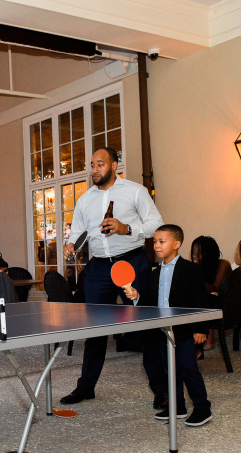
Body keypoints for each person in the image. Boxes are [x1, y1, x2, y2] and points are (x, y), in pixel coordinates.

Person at [61, 147, 167, 407]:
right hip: (98, 269)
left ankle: (161, 390)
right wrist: (71, 244)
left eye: (100, 164)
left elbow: (156, 224)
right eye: (92, 165)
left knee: (145, 327)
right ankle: (86, 388)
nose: (95, 170)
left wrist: (126, 227)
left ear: (114, 165)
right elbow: (77, 231)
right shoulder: (85, 199)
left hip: (131, 262)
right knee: (96, 330)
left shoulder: (135, 191)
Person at [125, 224, 213, 426]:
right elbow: (152, 301)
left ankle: (202, 408)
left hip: (183, 330)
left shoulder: (190, 269)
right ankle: (178, 407)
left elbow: (201, 300)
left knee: (188, 369)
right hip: (163, 332)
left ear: (177, 244)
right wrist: (138, 296)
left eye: (161, 242)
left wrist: (201, 329)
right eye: (155, 241)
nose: (156, 245)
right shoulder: (155, 273)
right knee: (170, 371)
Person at [190, 236, 232, 356]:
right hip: (208, 303)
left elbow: (215, 289)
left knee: (195, 301)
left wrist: (193, 278)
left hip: (224, 306)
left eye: (200, 252)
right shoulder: (198, 268)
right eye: (193, 252)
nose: (195, 255)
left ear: (210, 252)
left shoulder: (223, 264)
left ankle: (197, 347)